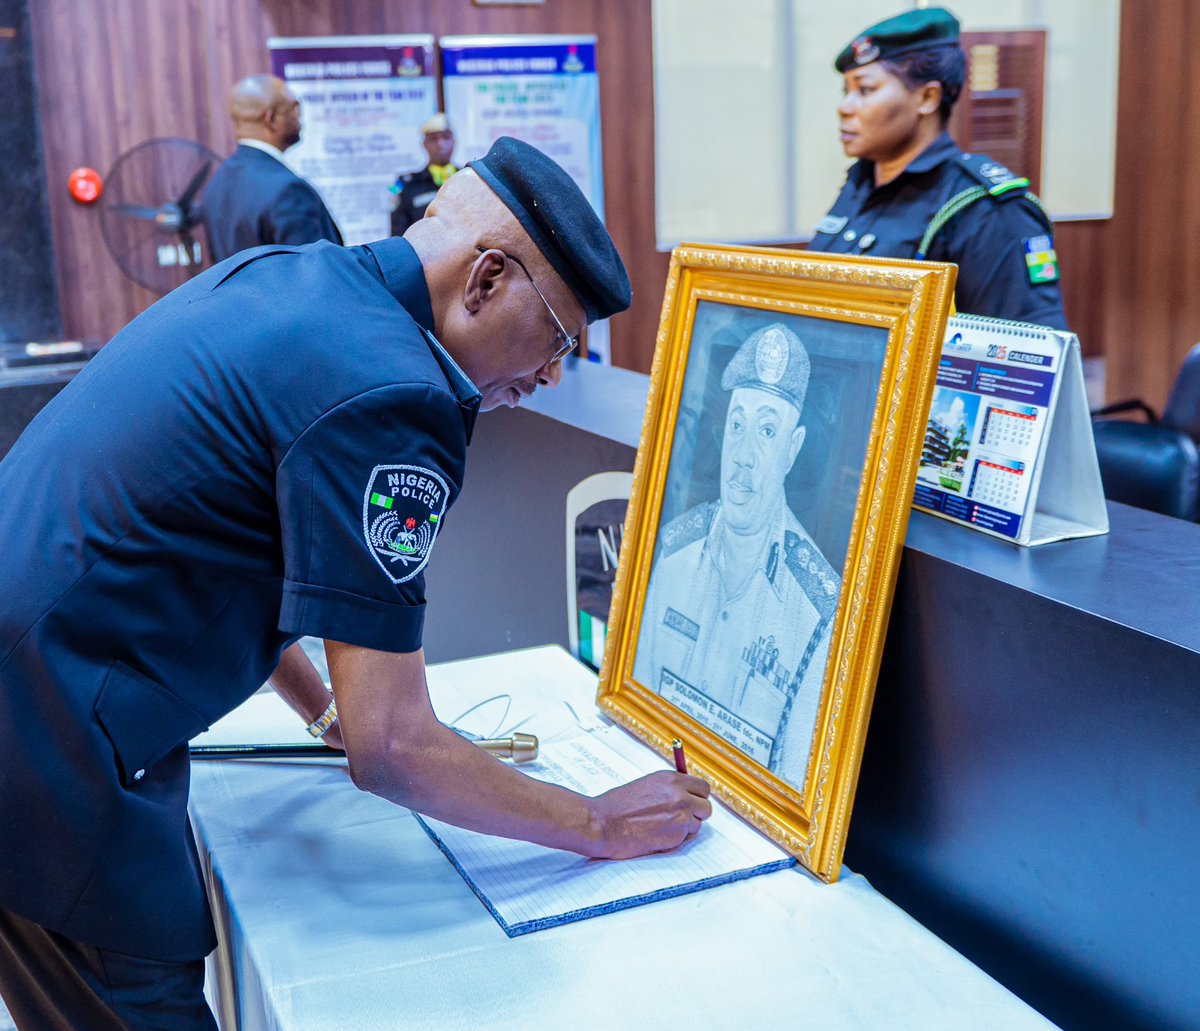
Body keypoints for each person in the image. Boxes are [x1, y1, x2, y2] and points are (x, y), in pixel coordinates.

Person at [0, 137, 711, 1029]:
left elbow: (224, 547)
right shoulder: (392, 391)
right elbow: (395, 750)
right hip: (46, 756)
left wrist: (321, 707)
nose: (552, 374)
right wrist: (597, 823)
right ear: (486, 279)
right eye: (559, 337)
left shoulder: (291, 276)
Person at [634, 322, 840, 788]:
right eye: (737, 425)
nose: (744, 455)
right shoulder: (675, 551)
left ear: (792, 449)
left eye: (767, 431)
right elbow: (639, 706)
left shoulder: (818, 611)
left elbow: (793, 789)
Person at [809, 7, 1067, 329]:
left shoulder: (983, 207)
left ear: (927, 98)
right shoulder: (860, 182)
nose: (844, 107)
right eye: (845, 91)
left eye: (865, 90)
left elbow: (1029, 352)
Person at [201, 73, 343, 264]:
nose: (299, 116)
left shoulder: (218, 183)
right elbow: (316, 275)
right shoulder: (288, 190)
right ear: (271, 118)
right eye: (294, 108)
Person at [390, 113, 458, 237]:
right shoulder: (406, 184)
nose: (441, 144)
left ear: (454, 141)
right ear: (424, 144)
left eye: (446, 137)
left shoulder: (467, 178)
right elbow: (397, 232)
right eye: (433, 139)